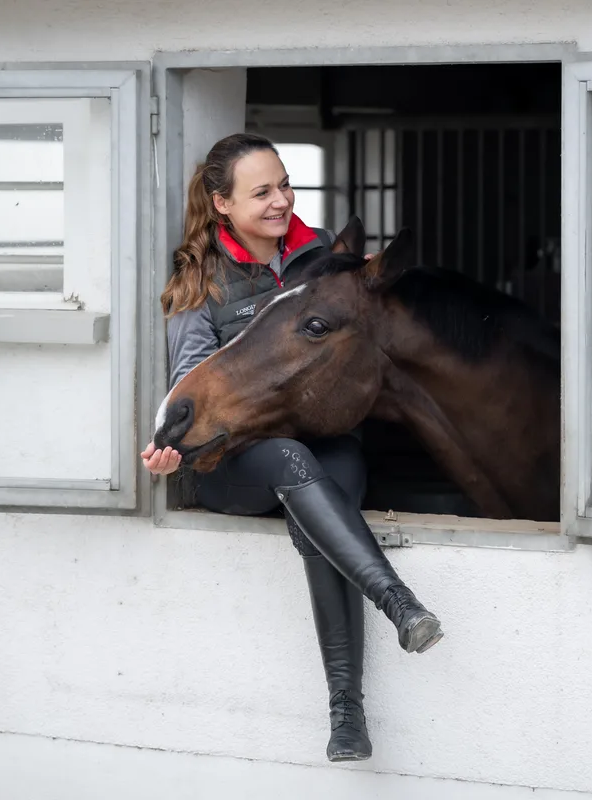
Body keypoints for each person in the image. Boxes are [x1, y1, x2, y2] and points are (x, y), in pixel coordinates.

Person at [140, 132, 443, 763]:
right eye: (263, 192)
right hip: (241, 463)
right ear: (222, 205)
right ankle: (397, 603)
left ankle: (348, 721)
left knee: (333, 479)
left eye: (285, 184)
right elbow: (189, 385)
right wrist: (170, 447)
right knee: (290, 463)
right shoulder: (201, 280)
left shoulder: (317, 255)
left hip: (321, 444)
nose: (282, 201)